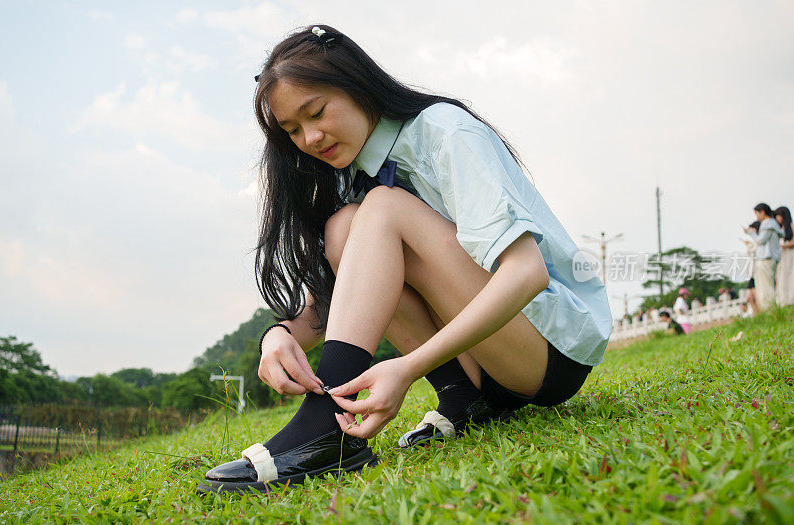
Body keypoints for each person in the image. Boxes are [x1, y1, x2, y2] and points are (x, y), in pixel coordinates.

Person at [197, 25, 612, 494]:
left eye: (315, 112)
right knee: (343, 228)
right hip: (486, 366)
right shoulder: (353, 174)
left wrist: (408, 366)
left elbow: (526, 272)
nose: (310, 137)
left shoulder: (443, 131)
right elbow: (345, 299)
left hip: (548, 351)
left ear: (356, 84)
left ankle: (326, 430)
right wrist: (278, 335)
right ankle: (462, 397)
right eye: (292, 130)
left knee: (383, 208)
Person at [745, 203, 784, 311]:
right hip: (773, 259)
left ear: (762, 212)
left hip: (765, 259)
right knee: (772, 286)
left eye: (757, 214)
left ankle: (768, 311)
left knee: (765, 288)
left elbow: (760, 241)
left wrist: (751, 233)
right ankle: (774, 310)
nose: (757, 217)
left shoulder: (767, 224)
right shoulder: (775, 224)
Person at [774, 206, 794, 306]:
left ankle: (791, 299)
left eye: (778, 216)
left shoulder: (791, 226)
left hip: (789, 254)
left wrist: (784, 245)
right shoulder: (778, 229)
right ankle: (784, 301)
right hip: (781, 256)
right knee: (781, 277)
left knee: (790, 275)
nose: (777, 218)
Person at [741, 220, 761, 315]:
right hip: (752, 272)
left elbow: (756, 251)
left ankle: (760, 313)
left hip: (758, 271)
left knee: (756, 295)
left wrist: (750, 245)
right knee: (749, 296)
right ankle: (757, 315)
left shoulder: (760, 240)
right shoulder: (754, 241)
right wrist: (749, 245)